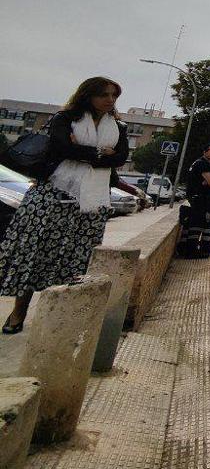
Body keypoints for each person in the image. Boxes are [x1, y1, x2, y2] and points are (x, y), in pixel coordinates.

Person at [1, 77, 130, 334]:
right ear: (88, 95)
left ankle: (57, 317)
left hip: (90, 203)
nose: (110, 100)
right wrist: (100, 153)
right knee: (34, 254)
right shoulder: (64, 119)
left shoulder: (119, 127)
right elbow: (61, 149)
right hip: (53, 195)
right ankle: (18, 313)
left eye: (114, 96)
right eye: (104, 94)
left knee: (75, 260)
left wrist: (83, 150)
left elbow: (122, 158)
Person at [179, 143, 210, 258]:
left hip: (208, 199)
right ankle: (191, 251)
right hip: (199, 199)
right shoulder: (202, 164)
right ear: (205, 152)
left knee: (208, 222)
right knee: (197, 224)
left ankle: (203, 246)